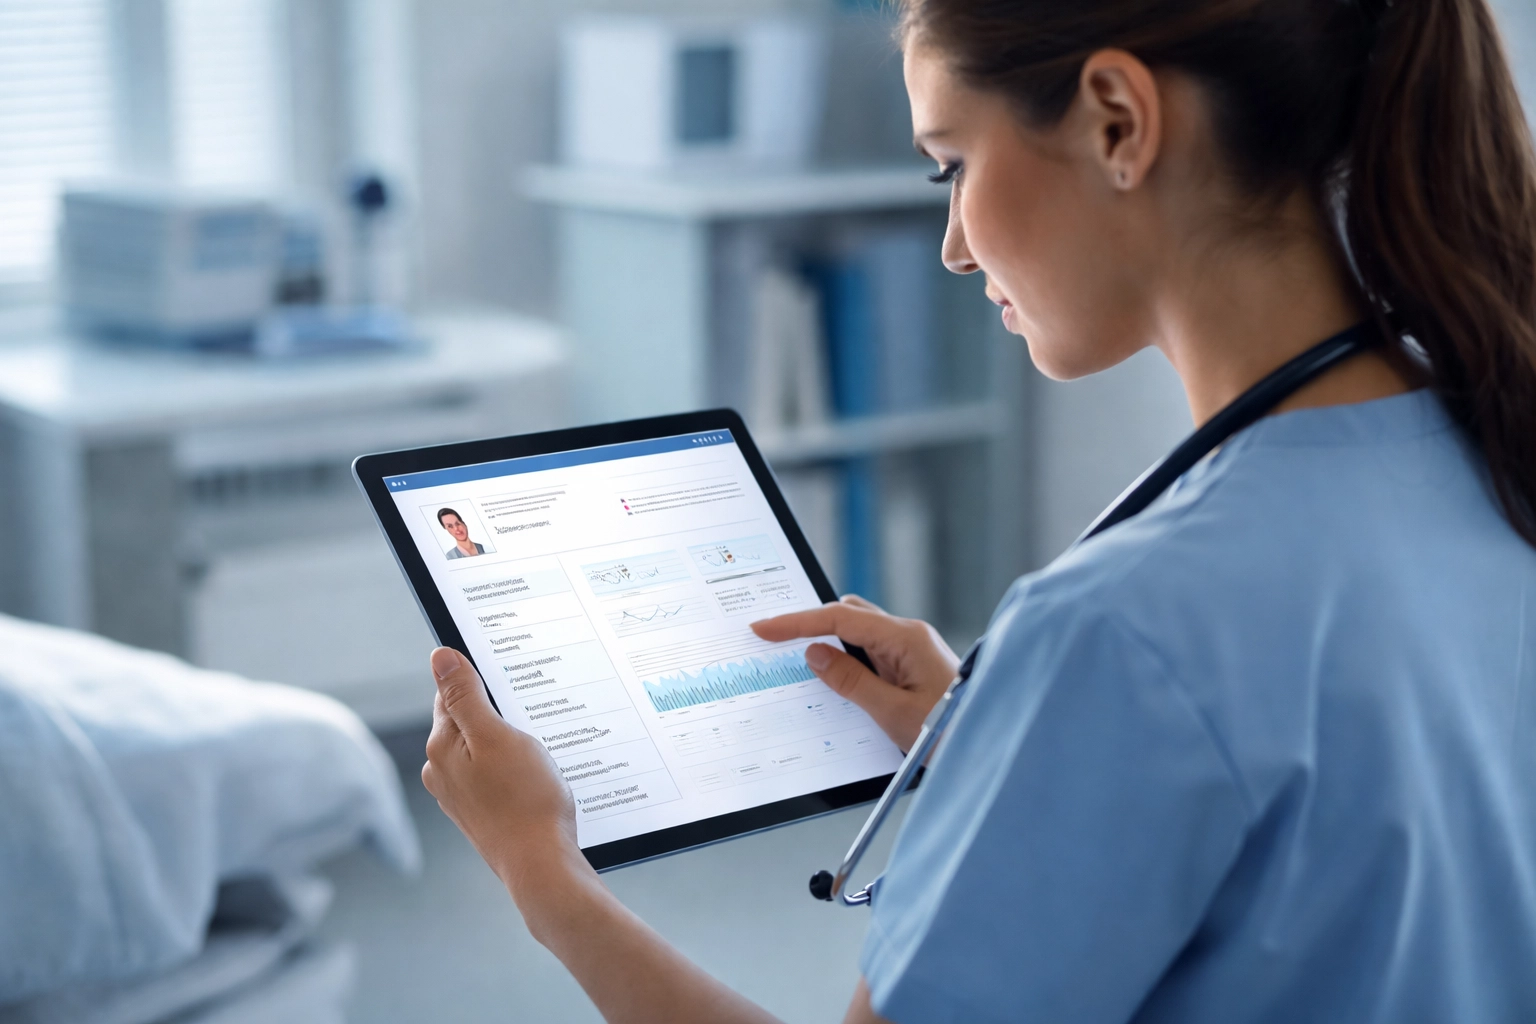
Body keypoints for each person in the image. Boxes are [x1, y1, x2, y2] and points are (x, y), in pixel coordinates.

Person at [417, 0, 1536, 1020]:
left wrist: (542, 871)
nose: (953, 243)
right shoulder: (1486, 455)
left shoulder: (1122, 632)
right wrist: (1001, 750)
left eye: (950, 163)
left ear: (1115, 121)